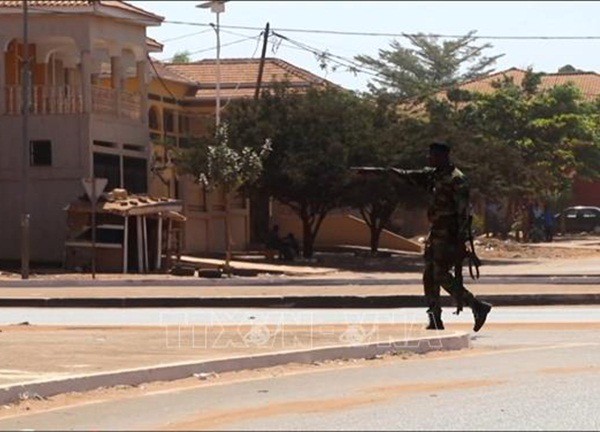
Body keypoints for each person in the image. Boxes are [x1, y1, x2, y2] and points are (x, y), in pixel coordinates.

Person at [353, 142, 492, 332]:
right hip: (436, 233)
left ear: (443, 156)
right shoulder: (434, 174)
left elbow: (463, 214)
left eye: (432, 155)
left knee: (441, 275)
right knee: (429, 275)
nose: (429, 158)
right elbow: (405, 175)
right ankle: (435, 317)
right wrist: (376, 172)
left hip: (449, 236)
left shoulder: (456, 180)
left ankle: (476, 305)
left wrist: (461, 242)